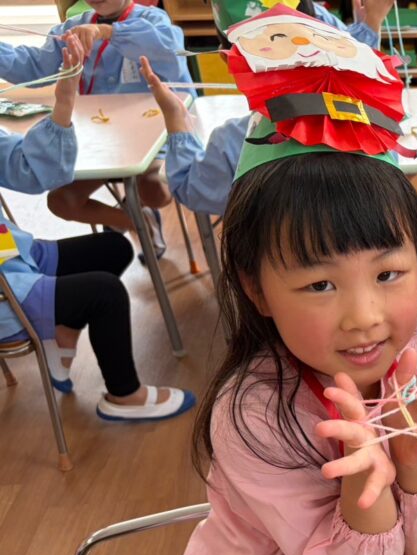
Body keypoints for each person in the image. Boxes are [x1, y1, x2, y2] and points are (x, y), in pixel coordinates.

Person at [141, 9, 417, 555]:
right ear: (256, 288)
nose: (364, 316)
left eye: (388, 273)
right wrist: (366, 486)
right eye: (319, 285)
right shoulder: (254, 409)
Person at [0, 37, 195, 421]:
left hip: (14, 258)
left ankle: (62, 335)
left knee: (113, 249)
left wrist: (64, 103)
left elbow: (32, 171)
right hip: (6, 294)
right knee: (105, 293)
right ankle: (125, 396)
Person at [143, 0, 395, 218]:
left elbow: (192, 189)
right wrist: (369, 26)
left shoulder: (234, 142)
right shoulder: (370, 125)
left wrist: (176, 122)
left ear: (228, 59)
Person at [0, 0, 196, 256]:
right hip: (101, 142)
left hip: (156, 135)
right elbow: (35, 68)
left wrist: (107, 32)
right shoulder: (73, 27)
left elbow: (168, 50)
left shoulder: (153, 19)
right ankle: (137, 221)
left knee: (155, 191)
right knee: (62, 201)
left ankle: (137, 207)